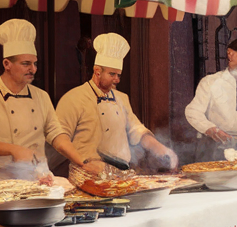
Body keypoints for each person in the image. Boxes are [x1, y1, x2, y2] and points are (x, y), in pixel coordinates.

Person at [0, 19, 97, 185]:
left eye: (34, 63)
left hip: (39, 180)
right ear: (7, 64)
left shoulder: (41, 96)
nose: (32, 69)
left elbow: (56, 134)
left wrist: (82, 163)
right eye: (26, 64)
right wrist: (13, 149)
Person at [56, 33, 178, 170]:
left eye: (118, 75)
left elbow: (135, 129)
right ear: (97, 72)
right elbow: (60, 139)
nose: (117, 80)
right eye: (112, 74)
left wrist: (159, 148)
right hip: (87, 174)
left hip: (120, 173)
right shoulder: (73, 98)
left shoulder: (122, 98)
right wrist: (83, 163)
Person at [185, 36, 237, 157]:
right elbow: (192, 112)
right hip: (215, 147)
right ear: (230, 54)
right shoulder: (210, 81)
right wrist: (212, 129)